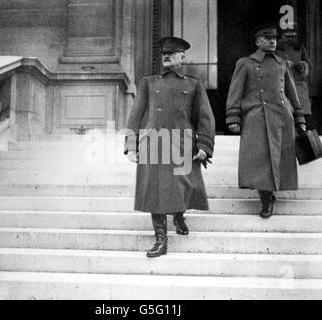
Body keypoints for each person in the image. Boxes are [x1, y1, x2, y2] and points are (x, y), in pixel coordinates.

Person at [124, 36, 215, 258]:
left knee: (182, 186)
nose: (166, 56)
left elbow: (205, 117)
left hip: (182, 141)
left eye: (172, 53)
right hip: (153, 140)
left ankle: (179, 216)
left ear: (182, 57)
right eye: (164, 53)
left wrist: (204, 144)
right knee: (155, 190)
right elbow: (135, 116)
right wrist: (132, 145)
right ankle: (161, 239)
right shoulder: (149, 82)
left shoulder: (193, 84)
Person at [226, 24, 306, 219]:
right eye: (267, 38)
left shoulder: (283, 63)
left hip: (281, 117)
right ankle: (266, 199)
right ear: (257, 42)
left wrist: (299, 118)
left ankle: (270, 194)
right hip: (256, 116)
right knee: (261, 160)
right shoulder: (245, 63)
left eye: (274, 39)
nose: (272, 41)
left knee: (278, 159)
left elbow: (292, 93)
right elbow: (235, 91)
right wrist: (233, 116)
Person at [276, 27, 314, 129]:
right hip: (281, 86)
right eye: (287, 37)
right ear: (282, 37)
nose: (290, 39)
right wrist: (283, 64)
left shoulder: (300, 48)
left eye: (293, 37)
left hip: (298, 85)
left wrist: (303, 66)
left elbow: (309, 65)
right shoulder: (276, 49)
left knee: (302, 118)